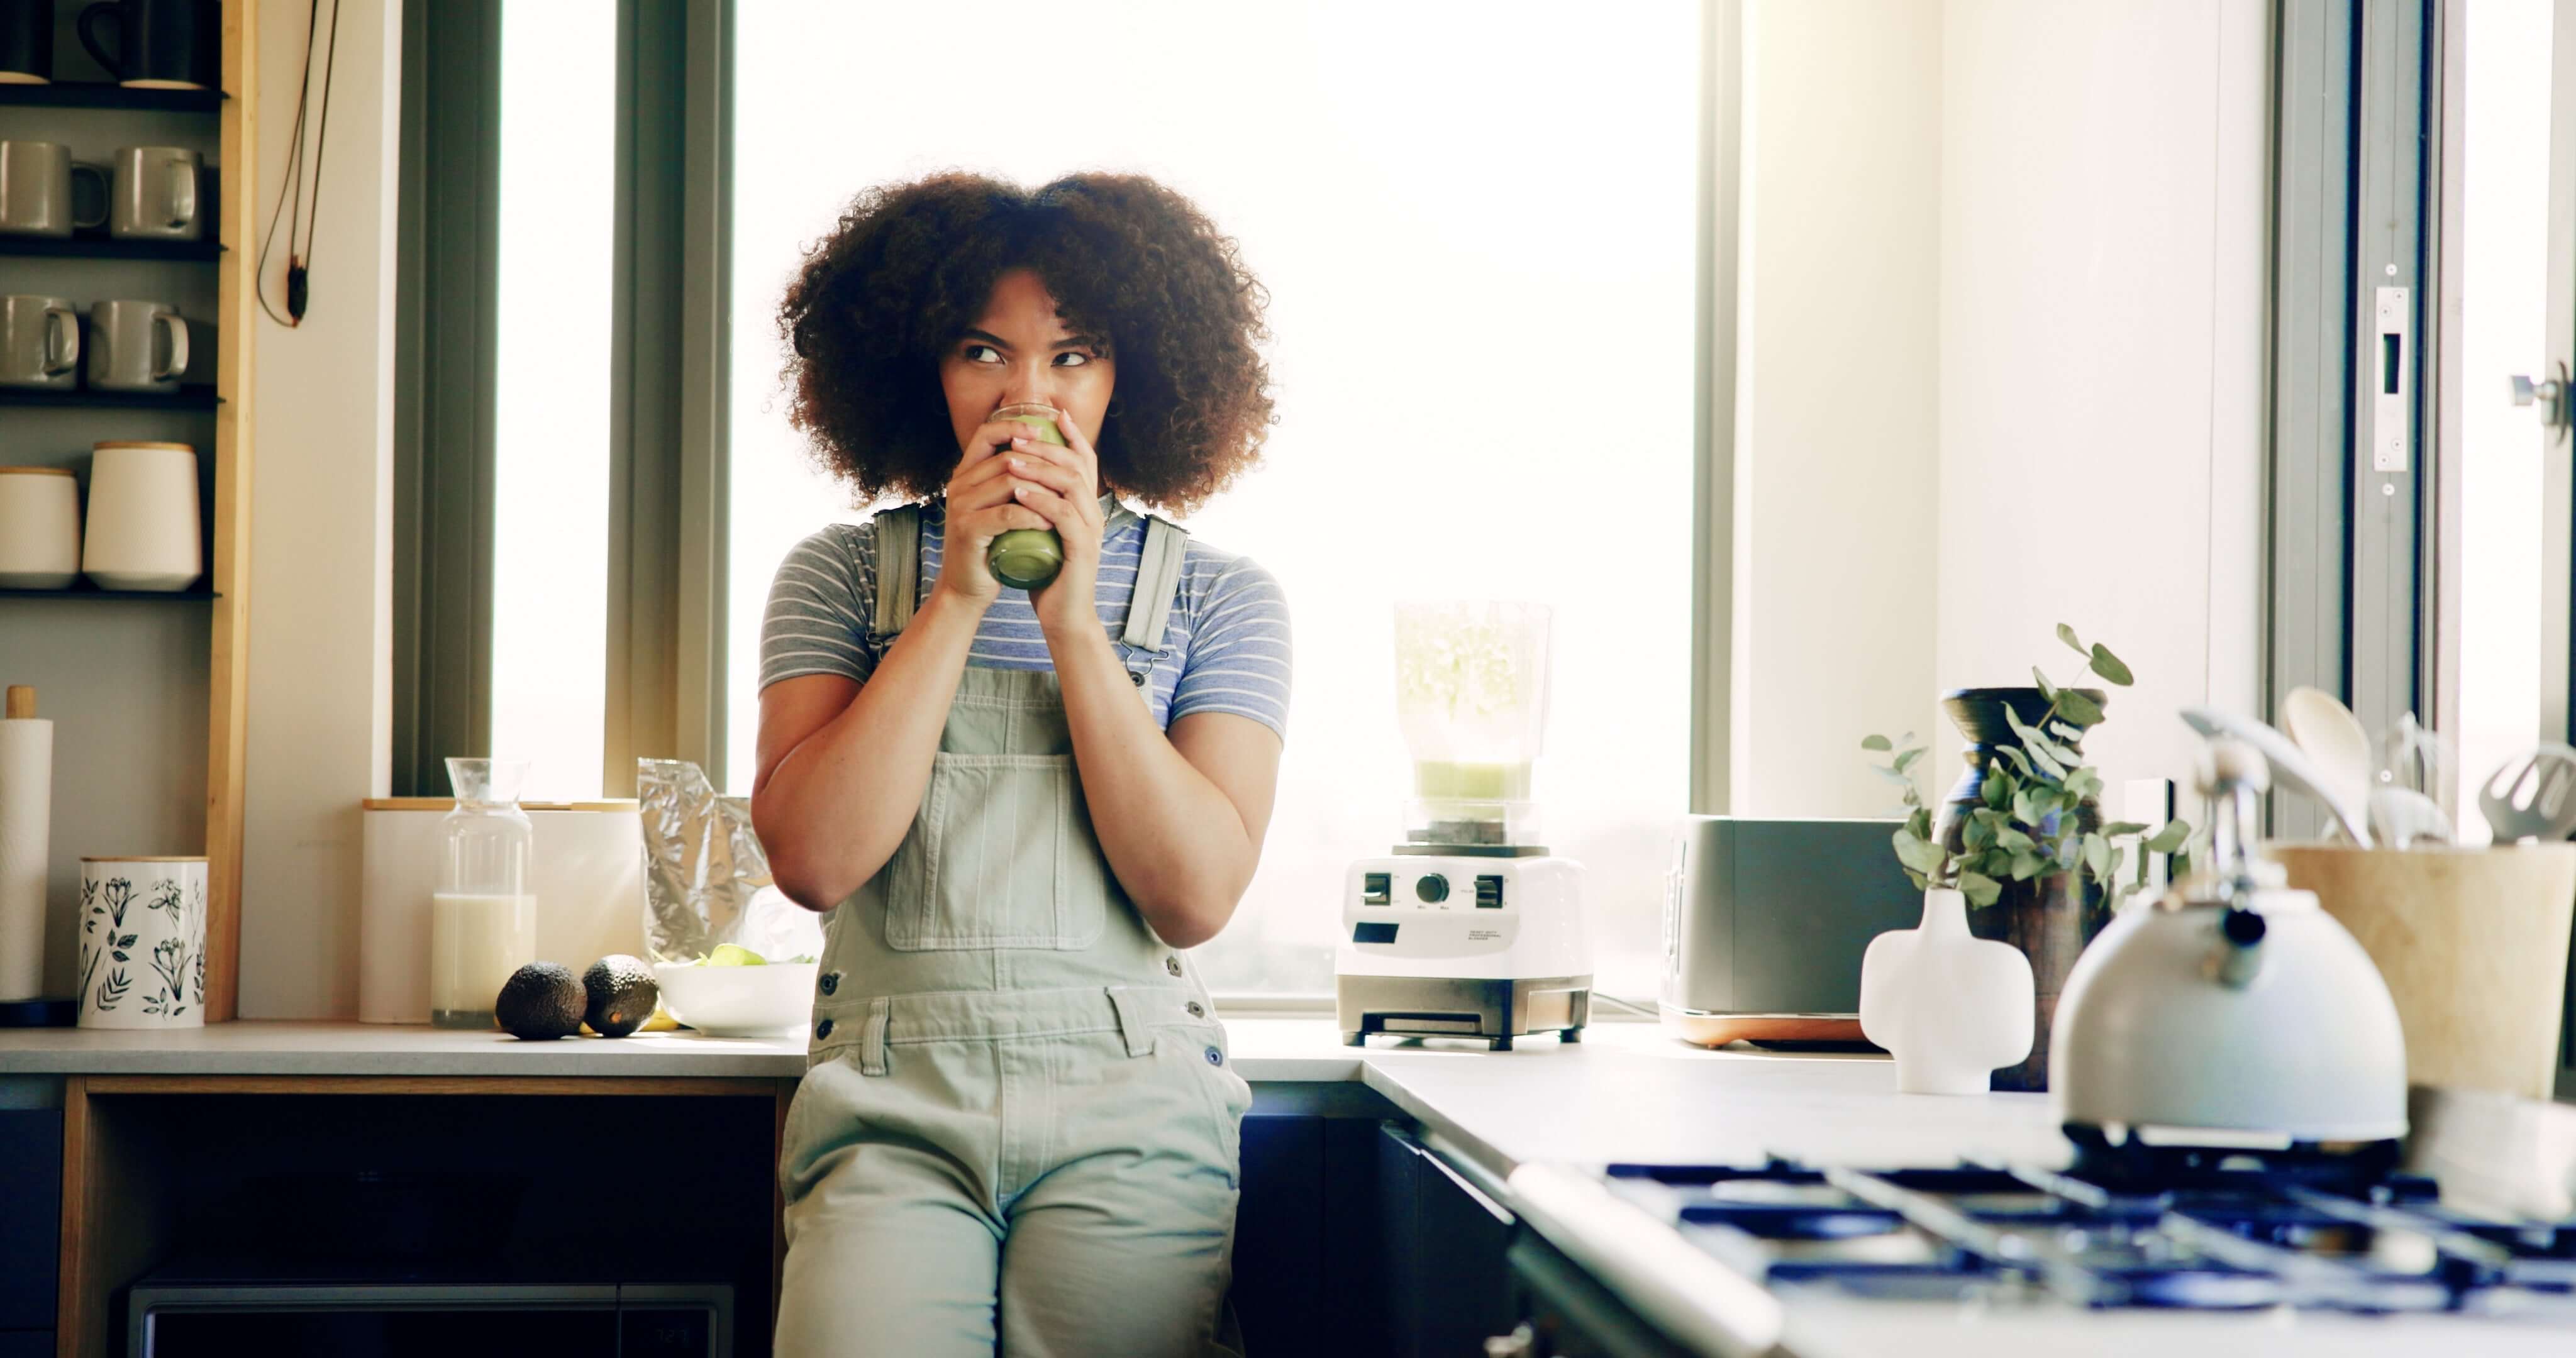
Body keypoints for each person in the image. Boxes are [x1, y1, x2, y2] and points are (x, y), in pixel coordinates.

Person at [753, 171, 1289, 1357]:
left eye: (1075, 355)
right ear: (923, 372)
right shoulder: (841, 578)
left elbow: (1194, 895)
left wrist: (1076, 625)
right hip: (890, 1111)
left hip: (1136, 1110)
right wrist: (955, 596)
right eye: (983, 351)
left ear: (1132, 374)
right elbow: (812, 861)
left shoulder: (1220, 599)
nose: (1026, 397)